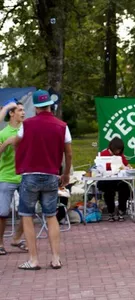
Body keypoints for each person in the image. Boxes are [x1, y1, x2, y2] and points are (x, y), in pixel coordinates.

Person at [14, 89, 72, 270]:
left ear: (36, 107)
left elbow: (16, 141)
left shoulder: (27, 124)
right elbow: (68, 153)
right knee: (51, 215)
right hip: (51, 175)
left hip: (30, 175)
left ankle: (33, 259)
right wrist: (66, 173)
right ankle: (55, 258)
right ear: (49, 105)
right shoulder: (62, 126)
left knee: (27, 215)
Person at [0, 100, 28, 255]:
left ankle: (17, 239)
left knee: (27, 212)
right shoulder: (3, 133)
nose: (23, 113)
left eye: (24, 110)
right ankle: (0, 244)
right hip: (6, 177)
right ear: (11, 113)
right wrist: (6, 144)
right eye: (19, 110)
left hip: (25, 177)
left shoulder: (28, 130)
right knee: (2, 213)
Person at [97, 137, 131, 222]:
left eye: (120, 150)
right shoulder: (103, 154)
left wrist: (127, 168)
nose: (118, 152)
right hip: (106, 179)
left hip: (118, 179)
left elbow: (127, 165)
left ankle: (121, 211)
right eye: (117, 150)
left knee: (125, 188)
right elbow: (99, 168)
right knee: (108, 191)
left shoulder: (120, 156)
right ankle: (111, 212)